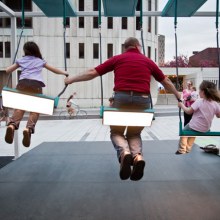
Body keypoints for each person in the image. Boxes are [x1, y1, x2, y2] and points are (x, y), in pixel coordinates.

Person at [65, 37, 181, 181]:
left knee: (116, 131)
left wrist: (71, 80)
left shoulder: (118, 59)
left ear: (125, 48)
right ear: (138, 47)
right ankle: (137, 157)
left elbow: (92, 72)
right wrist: (178, 96)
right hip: (142, 100)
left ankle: (124, 152)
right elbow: (166, 81)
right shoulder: (148, 61)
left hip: (121, 98)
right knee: (134, 133)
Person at [4, 41, 68, 147]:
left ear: (25, 51)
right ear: (36, 50)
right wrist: (64, 73)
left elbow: (7, 70)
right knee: (35, 110)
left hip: (22, 84)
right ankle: (28, 128)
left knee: (20, 107)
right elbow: (54, 70)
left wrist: (14, 66)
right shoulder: (40, 61)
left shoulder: (21, 60)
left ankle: (12, 125)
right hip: (36, 86)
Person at [176, 80, 220, 155]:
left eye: (199, 90)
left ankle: (182, 150)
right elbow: (218, 116)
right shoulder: (216, 104)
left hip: (194, 126)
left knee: (184, 133)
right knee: (193, 133)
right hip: (206, 129)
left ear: (203, 92)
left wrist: (181, 105)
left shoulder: (199, 101)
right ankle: (188, 148)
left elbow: (188, 111)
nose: (198, 92)